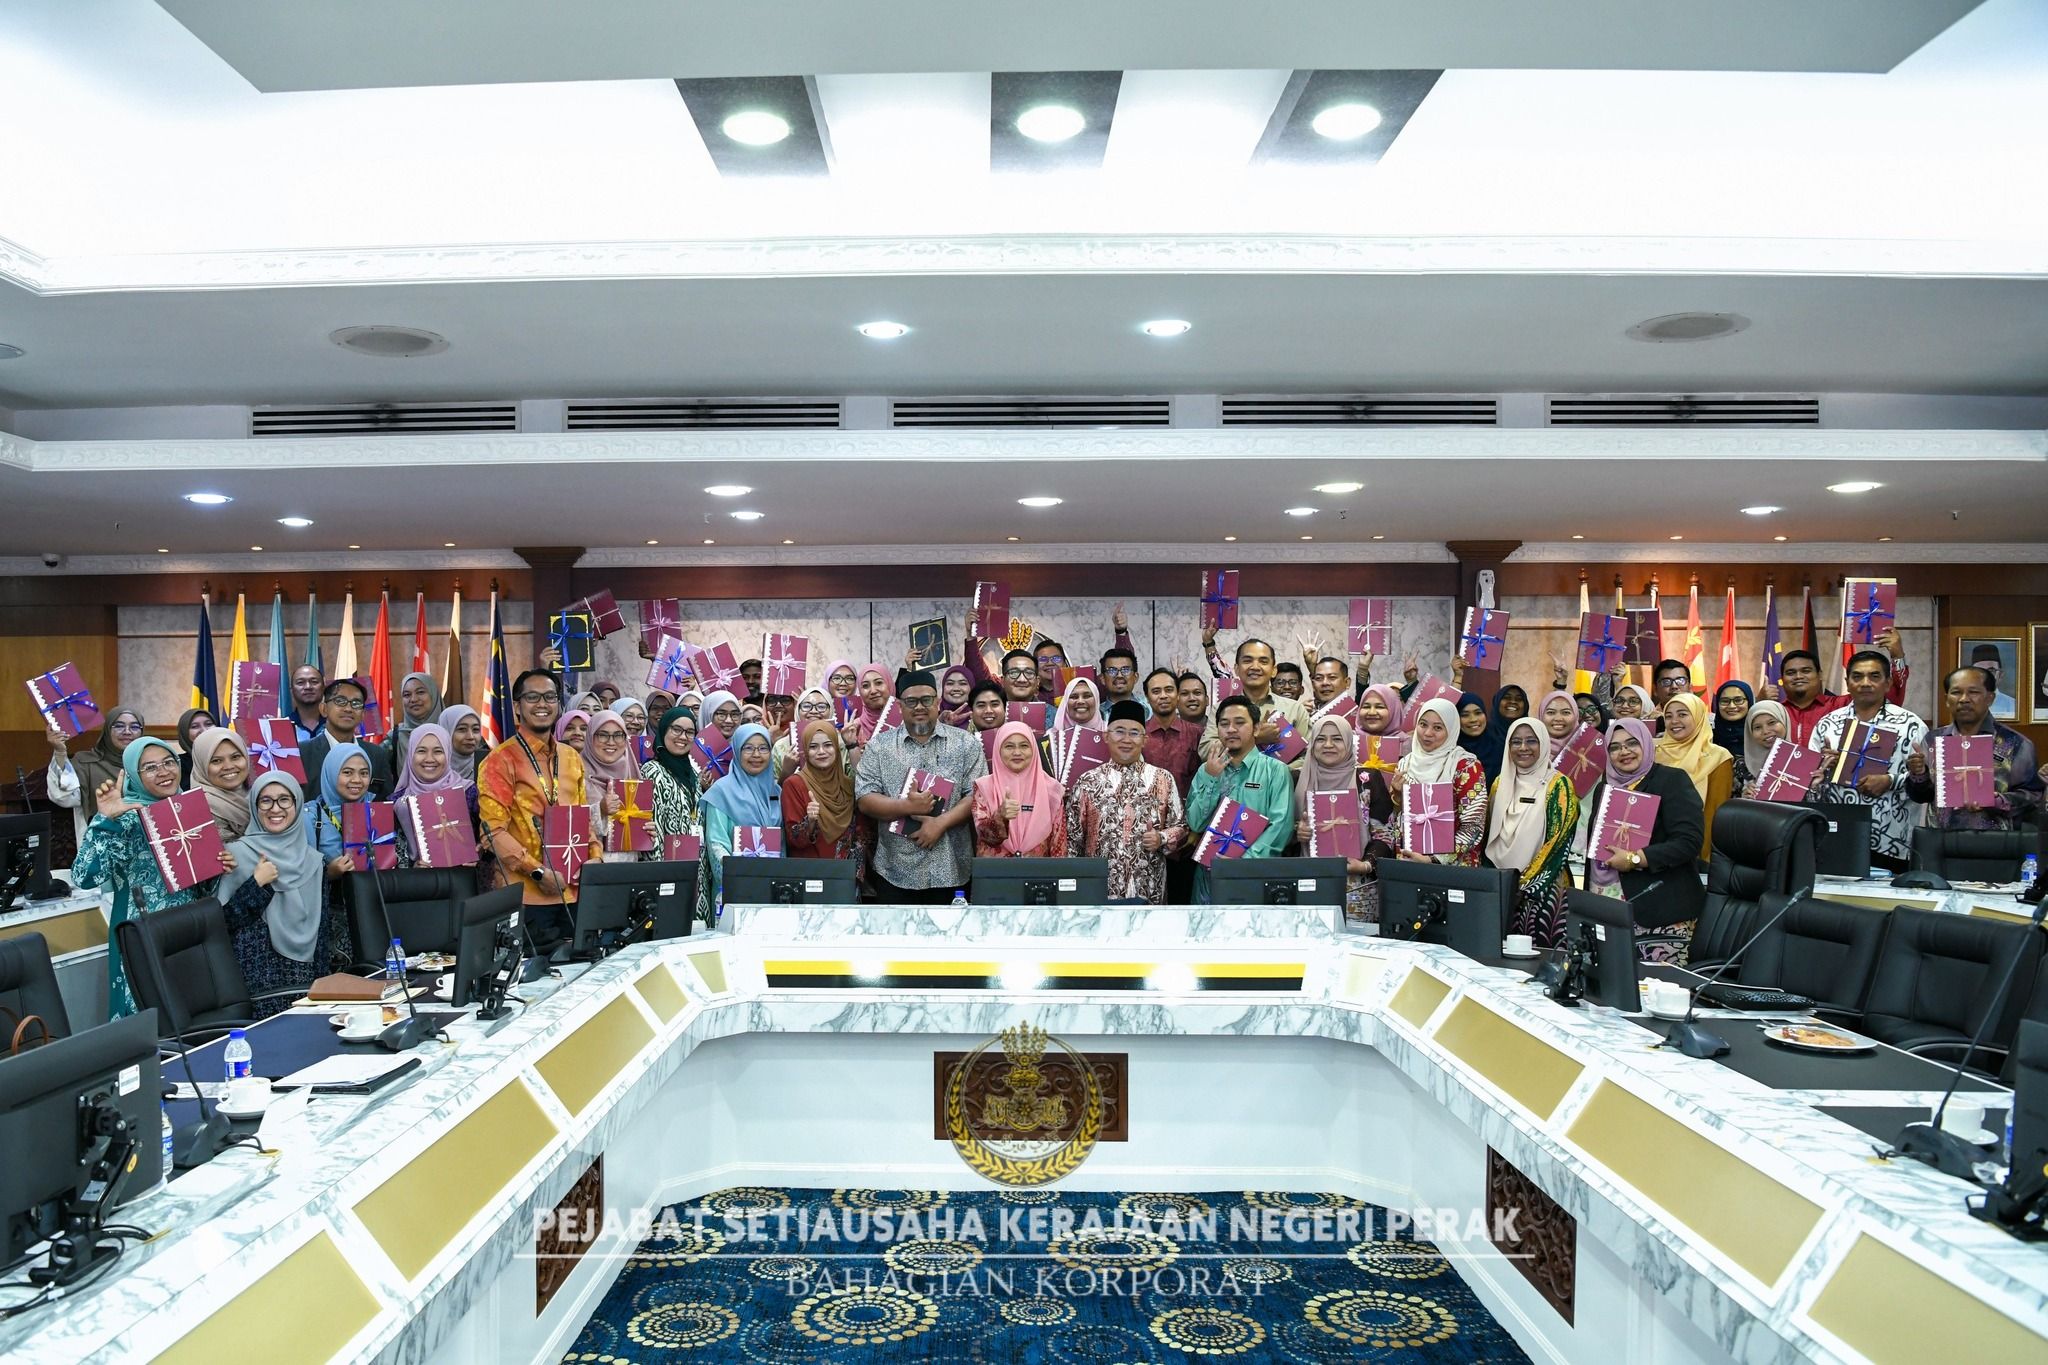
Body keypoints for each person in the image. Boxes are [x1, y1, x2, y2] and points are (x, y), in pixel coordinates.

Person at [72, 736, 228, 1017]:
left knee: (194, 1013)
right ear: (134, 774)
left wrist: (218, 867)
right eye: (151, 767)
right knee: (151, 1020)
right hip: (141, 934)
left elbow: (201, 888)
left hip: (189, 931)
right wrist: (106, 820)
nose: (164, 772)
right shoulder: (125, 819)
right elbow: (84, 876)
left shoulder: (188, 810)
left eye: (169, 762)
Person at [478, 669, 603, 945]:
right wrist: (537, 872)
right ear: (517, 707)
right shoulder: (500, 760)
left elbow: (583, 820)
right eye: (532, 697)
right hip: (526, 896)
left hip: (574, 893)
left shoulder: (571, 757)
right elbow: (491, 832)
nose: (542, 704)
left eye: (549, 697)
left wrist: (595, 857)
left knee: (580, 968)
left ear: (558, 703)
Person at [214, 772, 349, 1015]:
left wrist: (323, 990)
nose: (275, 808)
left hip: (308, 987)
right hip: (257, 989)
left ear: (297, 804)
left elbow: (321, 933)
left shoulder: (314, 861)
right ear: (254, 806)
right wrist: (256, 884)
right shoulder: (234, 855)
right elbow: (223, 924)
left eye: (284, 799)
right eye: (265, 800)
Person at [855, 670, 987, 902]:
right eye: (911, 701)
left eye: (926, 700)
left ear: (937, 702)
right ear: (899, 706)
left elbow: (976, 795)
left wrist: (940, 823)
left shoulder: (965, 744)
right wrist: (906, 806)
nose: (919, 707)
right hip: (895, 870)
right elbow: (865, 798)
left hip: (951, 868)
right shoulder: (879, 747)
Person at [1584, 717, 1706, 961]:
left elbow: (1689, 842)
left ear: (1646, 744)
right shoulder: (1604, 787)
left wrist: (1636, 859)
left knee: (1657, 983)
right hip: (1606, 903)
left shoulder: (1671, 780)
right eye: (1614, 747)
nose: (1624, 752)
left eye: (1632, 743)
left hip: (1659, 910)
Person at [1810, 649, 1928, 871]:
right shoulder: (1827, 724)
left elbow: (1926, 785)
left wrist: (1890, 780)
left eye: (1874, 676)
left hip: (1892, 839)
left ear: (1888, 683)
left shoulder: (1911, 725)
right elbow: (1810, 784)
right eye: (1857, 676)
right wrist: (1824, 769)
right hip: (1838, 835)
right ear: (1847, 682)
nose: (1865, 683)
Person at [1064, 701, 1186, 903]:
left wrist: (1162, 838)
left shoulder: (1163, 779)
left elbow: (1181, 827)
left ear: (1144, 740)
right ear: (1106, 736)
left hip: (1149, 890)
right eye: (1119, 731)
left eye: (1134, 733)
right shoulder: (1088, 782)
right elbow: (1072, 841)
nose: (1126, 739)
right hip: (1099, 891)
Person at [1902, 666, 2042, 832]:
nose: (1964, 699)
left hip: (1997, 841)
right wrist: (1919, 775)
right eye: (1956, 692)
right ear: (1947, 699)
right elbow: (1922, 796)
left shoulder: (2014, 743)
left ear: (1990, 698)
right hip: (1942, 839)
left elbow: (2033, 796)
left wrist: (1996, 801)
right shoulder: (1933, 740)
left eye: (1973, 692)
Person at [1185, 696, 1295, 902]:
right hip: (1209, 878)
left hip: (1256, 875)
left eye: (1239, 722)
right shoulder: (1206, 770)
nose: (1231, 729)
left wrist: (1244, 862)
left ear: (1256, 728)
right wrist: (1212, 778)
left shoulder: (1275, 770)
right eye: (1224, 724)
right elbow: (1195, 823)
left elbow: (1281, 826)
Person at [1487, 718, 1580, 948]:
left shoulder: (1559, 785)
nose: (1523, 748)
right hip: (1500, 889)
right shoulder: (1499, 784)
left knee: (1542, 956)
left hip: (1544, 890)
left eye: (1531, 741)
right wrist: (1501, 885)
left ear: (1543, 744)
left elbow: (1557, 843)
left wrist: (1523, 886)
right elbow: (1489, 833)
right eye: (1515, 742)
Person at [1295, 714, 1395, 927]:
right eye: (1320, 739)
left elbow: (1385, 833)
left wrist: (1366, 865)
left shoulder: (1367, 779)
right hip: (1308, 883)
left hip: (1358, 890)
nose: (1328, 745)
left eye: (1337, 739)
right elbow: (1280, 831)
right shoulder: (1298, 779)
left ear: (1349, 742)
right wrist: (1297, 832)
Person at [1389, 698, 1487, 867]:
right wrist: (1398, 798)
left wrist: (1434, 860)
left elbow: (1473, 826)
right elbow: (1398, 820)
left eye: (1438, 728)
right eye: (1423, 724)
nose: (1427, 733)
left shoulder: (1466, 767)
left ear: (1451, 730)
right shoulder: (1405, 764)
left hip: (1453, 869)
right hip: (1409, 861)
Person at [697, 723, 779, 918]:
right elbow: (716, 844)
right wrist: (740, 879)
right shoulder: (721, 792)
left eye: (763, 748)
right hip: (733, 892)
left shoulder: (776, 791)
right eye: (748, 748)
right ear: (736, 751)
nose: (756, 755)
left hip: (772, 889)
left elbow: (781, 844)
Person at [1769, 640, 1911, 747]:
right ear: (1782, 679)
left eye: (1806, 671)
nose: (1798, 676)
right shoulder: (1773, 713)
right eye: (1791, 673)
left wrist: (1897, 656)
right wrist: (1759, 701)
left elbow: (1888, 695)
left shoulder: (1841, 706)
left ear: (1820, 675)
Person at [46, 706, 144, 845]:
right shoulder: (86, 763)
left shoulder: (151, 764)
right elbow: (63, 797)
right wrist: (60, 752)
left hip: (147, 843)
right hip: (101, 845)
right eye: (119, 726)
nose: (127, 732)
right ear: (107, 730)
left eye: (134, 727)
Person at [1197, 640, 1310, 760]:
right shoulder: (1221, 708)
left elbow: (1309, 755)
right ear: (1237, 669)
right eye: (1247, 661)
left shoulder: (1295, 709)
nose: (1255, 667)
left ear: (1274, 671)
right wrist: (1256, 738)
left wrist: (1280, 771)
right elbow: (1205, 751)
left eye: (1263, 661)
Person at [1655, 692, 1734, 860]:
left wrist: (1704, 860)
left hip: (1693, 851)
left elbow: (1714, 814)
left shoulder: (1718, 757)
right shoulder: (1654, 752)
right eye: (1668, 716)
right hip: (1652, 850)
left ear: (1698, 717)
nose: (1674, 721)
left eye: (1682, 714)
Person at [973, 722, 1070, 858]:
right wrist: (1000, 816)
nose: (1017, 752)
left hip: (1039, 870)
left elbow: (1059, 846)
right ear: (998, 750)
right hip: (995, 870)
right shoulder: (984, 787)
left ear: (1034, 749)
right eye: (1009, 746)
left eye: (1024, 746)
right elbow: (984, 835)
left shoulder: (1052, 789)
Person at [782, 720, 867, 870]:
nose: (821, 751)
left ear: (836, 748)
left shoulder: (848, 785)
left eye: (828, 745)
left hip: (847, 874)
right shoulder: (794, 785)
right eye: (813, 747)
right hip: (811, 873)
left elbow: (861, 833)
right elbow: (793, 840)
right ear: (805, 751)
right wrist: (810, 822)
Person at [298, 678, 396, 801]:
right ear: (324, 709)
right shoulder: (302, 752)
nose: (348, 709)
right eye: (340, 701)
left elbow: (386, 801)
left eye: (356, 703)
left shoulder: (376, 754)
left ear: (363, 714)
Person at [643, 705, 702, 847]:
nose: (683, 737)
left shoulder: (692, 773)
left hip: (694, 858)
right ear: (664, 730)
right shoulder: (653, 771)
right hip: (667, 860)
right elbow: (652, 832)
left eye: (689, 732)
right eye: (676, 729)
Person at [579, 713, 635, 853]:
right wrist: (600, 809)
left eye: (618, 735)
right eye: (603, 735)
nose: (611, 742)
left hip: (629, 863)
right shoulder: (575, 774)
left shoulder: (632, 773)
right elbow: (566, 823)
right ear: (590, 737)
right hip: (589, 862)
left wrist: (648, 831)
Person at [1141, 667, 1201, 795]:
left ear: (1178, 694)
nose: (1163, 696)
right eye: (1156, 691)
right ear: (1147, 697)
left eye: (1169, 690)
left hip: (1188, 806)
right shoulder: (1138, 735)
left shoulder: (1197, 733)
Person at [188, 726, 253, 841]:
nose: (228, 766)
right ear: (201, 765)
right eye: (216, 761)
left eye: (235, 757)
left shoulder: (259, 792)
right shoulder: (201, 809)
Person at [1739, 700, 1793, 799]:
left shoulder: (1804, 762)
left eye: (1772, 723)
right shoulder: (1741, 767)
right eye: (1757, 727)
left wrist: (1816, 786)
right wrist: (1745, 800)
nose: (1765, 731)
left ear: (1784, 721)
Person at [390, 671, 444, 762]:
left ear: (433, 695)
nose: (413, 699)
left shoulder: (451, 732)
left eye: (420, 692)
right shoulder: (395, 737)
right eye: (407, 695)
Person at [1455, 692, 1505, 784]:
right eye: (1465, 715)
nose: (1473, 719)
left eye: (1478, 713)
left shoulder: (1501, 746)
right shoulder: (1451, 753)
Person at [1710, 681, 1755, 786]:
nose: (1731, 706)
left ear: (1749, 702)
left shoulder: (1758, 737)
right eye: (1724, 701)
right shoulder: (1709, 739)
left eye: (1738, 700)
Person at [439, 704, 486, 783]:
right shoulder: (431, 768)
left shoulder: (487, 767)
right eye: (462, 729)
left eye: (475, 729)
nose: (470, 737)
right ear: (446, 731)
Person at [174, 707, 216, 786]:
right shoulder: (179, 764)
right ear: (185, 733)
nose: (204, 730)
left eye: (208, 724)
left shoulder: (229, 757)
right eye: (195, 726)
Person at [288, 665, 326, 743]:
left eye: (314, 682)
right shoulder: (283, 727)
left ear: (323, 687)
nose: (308, 687)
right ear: (292, 690)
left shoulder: (335, 725)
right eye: (300, 683)